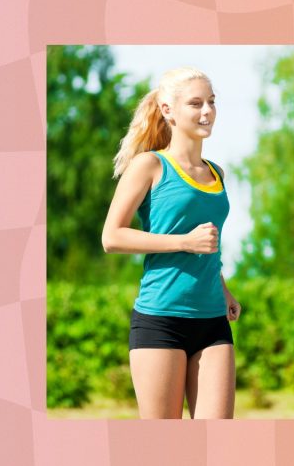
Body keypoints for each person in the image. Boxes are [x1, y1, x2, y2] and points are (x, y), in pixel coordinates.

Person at [101, 67, 241, 419]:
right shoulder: (149, 166)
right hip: (160, 319)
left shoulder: (216, 173)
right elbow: (112, 236)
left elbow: (209, 245)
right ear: (168, 110)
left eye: (211, 102)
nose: (207, 111)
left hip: (212, 320)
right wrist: (183, 242)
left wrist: (222, 288)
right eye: (196, 103)